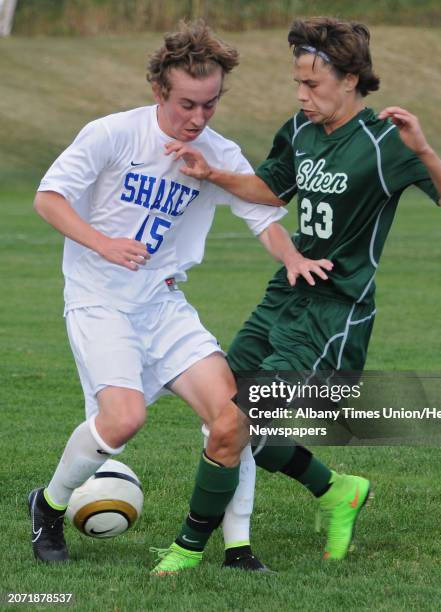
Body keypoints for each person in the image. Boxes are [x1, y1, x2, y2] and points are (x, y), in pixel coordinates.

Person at [165, 16, 441, 565]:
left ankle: (187, 549)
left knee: (239, 419)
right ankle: (336, 489)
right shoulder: (301, 129)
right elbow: (271, 188)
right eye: (297, 83)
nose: (302, 95)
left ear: (352, 78)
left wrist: (425, 152)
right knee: (222, 412)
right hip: (284, 293)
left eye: (313, 85)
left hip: (336, 309)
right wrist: (213, 174)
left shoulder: (387, 141)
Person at [28, 20, 333, 575]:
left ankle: (237, 549)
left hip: (164, 304)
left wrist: (291, 257)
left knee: (233, 417)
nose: (198, 119)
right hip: (100, 300)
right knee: (122, 421)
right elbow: (49, 198)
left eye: (210, 106)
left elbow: (262, 214)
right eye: (187, 105)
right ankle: (47, 507)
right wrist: (104, 243)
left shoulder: (216, 152)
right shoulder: (113, 134)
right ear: (159, 92)